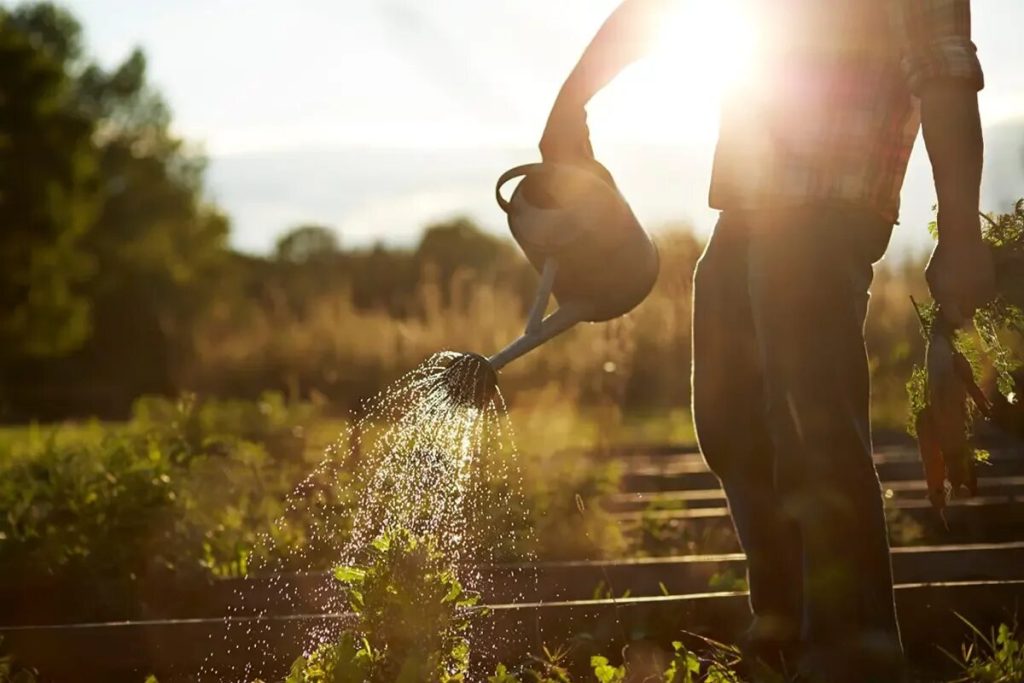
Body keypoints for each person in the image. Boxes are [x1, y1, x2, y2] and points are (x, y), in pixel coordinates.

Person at [540, 1, 995, 681]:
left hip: (828, 208)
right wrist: (572, 97)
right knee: (728, 421)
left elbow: (945, 73)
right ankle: (786, 632)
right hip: (749, 204)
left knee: (815, 433)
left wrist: (961, 234)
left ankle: (854, 655)